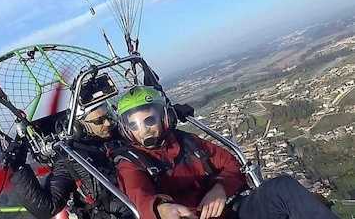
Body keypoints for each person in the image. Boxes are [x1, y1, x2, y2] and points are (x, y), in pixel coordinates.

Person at [113, 85, 339, 219]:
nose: (144, 130)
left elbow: (231, 164)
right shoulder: (131, 162)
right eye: (134, 125)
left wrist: (220, 188)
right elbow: (138, 195)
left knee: (281, 187)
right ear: (125, 128)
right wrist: (162, 209)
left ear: (164, 116)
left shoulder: (188, 142)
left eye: (149, 119)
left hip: (230, 213)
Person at [7, 99, 134, 219]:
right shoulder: (71, 157)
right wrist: (18, 168)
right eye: (99, 120)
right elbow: (48, 207)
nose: (107, 123)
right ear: (80, 126)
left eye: (108, 116)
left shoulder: (124, 135)